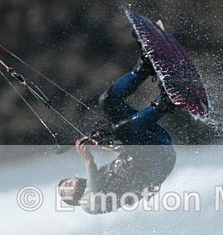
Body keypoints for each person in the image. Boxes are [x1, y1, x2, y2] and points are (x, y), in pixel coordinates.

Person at [57, 53, 177, 214]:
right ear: (74, 201)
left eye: (65, 183)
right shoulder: (90, 206)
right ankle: (168, 99)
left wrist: (104, 138)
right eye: (65, 192)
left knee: (108, 102)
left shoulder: (104, 173)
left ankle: (144, 67)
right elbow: (92, 193)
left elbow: (124, 149)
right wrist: (89, 161)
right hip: (160, 161)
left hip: (155, 145)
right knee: (125, 131)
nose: (67, 186)